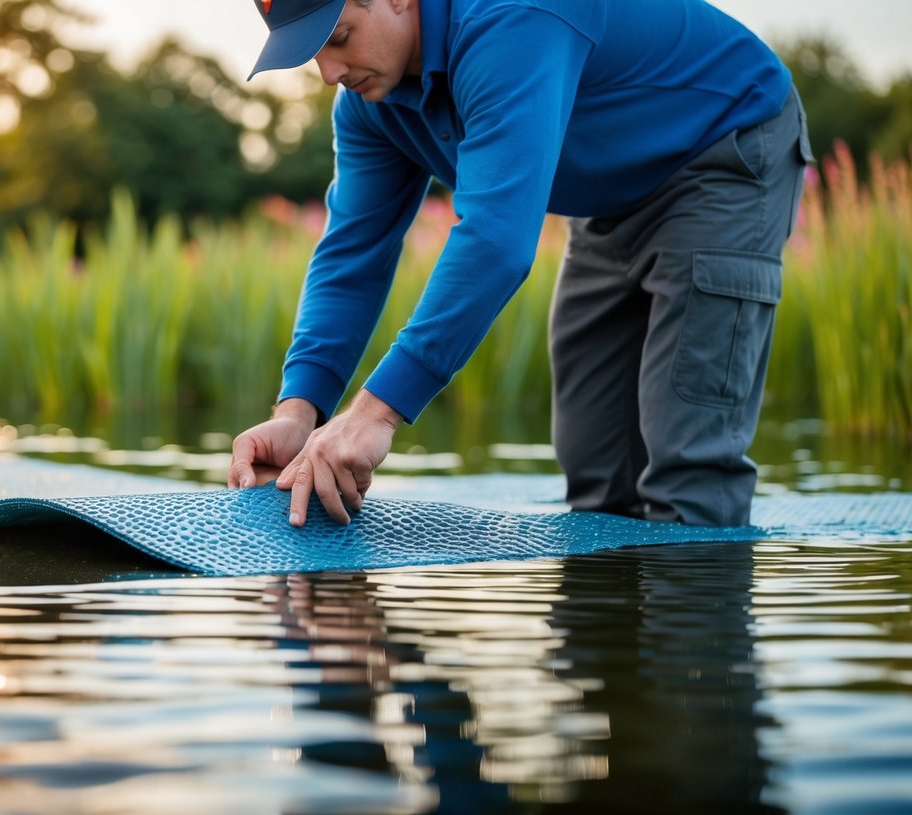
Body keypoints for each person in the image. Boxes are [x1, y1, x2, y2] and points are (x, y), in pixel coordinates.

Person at [226, 0, 812, 528]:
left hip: (724, 151)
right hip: (610, 198)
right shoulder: (368, 104)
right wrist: (299, 410)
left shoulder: (511, 18)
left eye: (339, 36)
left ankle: (694, 636)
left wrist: (375, 414)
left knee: (687, 474)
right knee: (596, 472)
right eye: (312, 54)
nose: (329, 73)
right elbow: (352, 254)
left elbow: (496, 243)